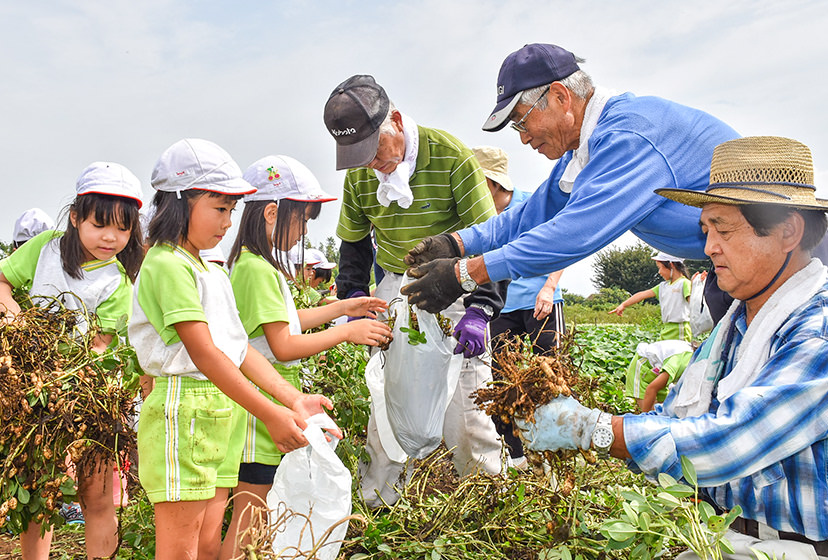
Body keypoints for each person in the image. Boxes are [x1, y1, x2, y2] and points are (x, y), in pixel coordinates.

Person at [516, 136, 828, 559]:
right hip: (724, 536)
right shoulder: (734, 325)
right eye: (706, 229)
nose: (708, 247)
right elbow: (677, 412)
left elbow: (732, 439)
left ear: (788, 230)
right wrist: (600, 427)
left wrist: (596, 429)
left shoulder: (818, 328)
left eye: (725, 229)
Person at [400, 43, 739, 324]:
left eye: (520, 122)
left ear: (560, 96)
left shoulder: (627, 136)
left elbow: (574, 233)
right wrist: (456, 242)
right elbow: (528, 218)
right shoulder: (583, 152)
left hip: (773, 262)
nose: (523, 138)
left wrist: (465, 273)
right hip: (730, 269)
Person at [128, 139, 337, 560]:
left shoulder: (210, 269)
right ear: (181, 202)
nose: (227, 221)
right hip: (182, 413)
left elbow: (239, 351)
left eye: (231, 210)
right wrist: (271, 413)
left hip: (218, 414)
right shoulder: (167, 264)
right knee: (180, 547)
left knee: (207, 540)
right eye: (219, 208)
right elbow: (206, 355)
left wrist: (294, 400)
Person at [323, 74, 506, 507]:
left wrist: (480, 309)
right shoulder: (360, 178)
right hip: (394, 288)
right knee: (388, 400)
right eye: (359, 158)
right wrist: (354, 304)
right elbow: (353, 247)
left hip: (457, 286)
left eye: (376, 151)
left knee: (468, 408)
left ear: (398, 122)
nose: (372, 166)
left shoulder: (451, 157)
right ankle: (379, 503)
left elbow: (492, 239)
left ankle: (485, 501)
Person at [219, 154, 391, 559]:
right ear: (273, 212)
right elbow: (283, 345)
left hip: (268, 406)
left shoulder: (257, 265)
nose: (303, 231)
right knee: (250, 522)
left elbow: (284, 321)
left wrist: (340, 309)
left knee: (258, 520)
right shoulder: (255, 269)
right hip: (259, 416)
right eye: (303, 219)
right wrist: (346, 333)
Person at [0, 162, 144, 559]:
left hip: (89, 398)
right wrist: (18, 322)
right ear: (76, 217)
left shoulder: (117, 281)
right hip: (34, 393)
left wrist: (65, 382)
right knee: (41, 498)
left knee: (97, 499)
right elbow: (2, 283)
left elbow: (99, 348)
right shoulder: (45, 246)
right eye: (100, 224)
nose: (110, 237)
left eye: (123, 228)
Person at [472, 145, 565, 467]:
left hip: (541, 300)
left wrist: (549, 287)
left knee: (551, 376)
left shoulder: (533, 206)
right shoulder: (481, 219)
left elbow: (564, 247)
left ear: (493, 184)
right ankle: (516, 453)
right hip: (501, 307)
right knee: (499, 380)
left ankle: (554, 450)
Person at [609, 251, 692, 342]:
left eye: (660, 268)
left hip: (680, 329)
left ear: (671, 265)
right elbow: (642, 295)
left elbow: (693, 305)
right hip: (666, 329)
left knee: (677, 355)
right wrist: (623, 305)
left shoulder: (684, 283)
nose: (659, 272)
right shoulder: (663, 286)